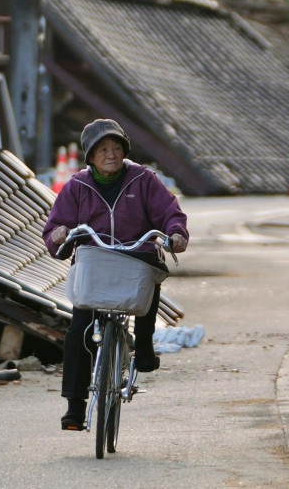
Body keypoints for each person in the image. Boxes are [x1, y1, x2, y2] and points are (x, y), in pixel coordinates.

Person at [42, 118, 190, 431]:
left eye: (117, 147)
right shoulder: (77, 187)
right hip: (95, 262)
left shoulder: (143, 180)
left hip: (136, 255)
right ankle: (74, 407)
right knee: (79, 331)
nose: (112, 154)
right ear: (91, 157)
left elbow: (169, 212)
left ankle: (145, 345)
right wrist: (58, 235)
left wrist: (175, 232)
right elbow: (55, 226)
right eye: (104, 149)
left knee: (151, 278)